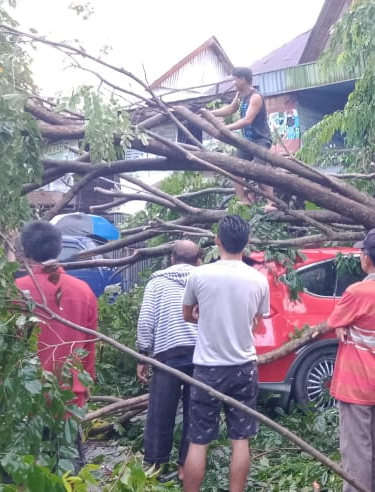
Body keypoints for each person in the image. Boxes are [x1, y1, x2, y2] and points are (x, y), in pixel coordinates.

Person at [180, 215, 269, 492]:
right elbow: (258, 322)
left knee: (198, 441)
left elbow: (187, 315)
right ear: (246, 243)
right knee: (240, 440)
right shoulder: (258, 280)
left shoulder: (199, 275)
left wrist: (202, 316)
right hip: (243, 366)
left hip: (207, 368)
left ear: (217, 240)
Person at [326, 228, 375, 492]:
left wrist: (343, 326)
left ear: (367, 258)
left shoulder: (357, 292)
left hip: (357, 384)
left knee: (357, 452)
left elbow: (335, 320)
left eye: (362, 251)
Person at [136, 240, 202, 478]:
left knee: (160, 411)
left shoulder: (157, 282)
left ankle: (155, 465)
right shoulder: (205, 279)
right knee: (194, 412)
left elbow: (146, 321)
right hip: (200, 355)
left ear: (171, 259)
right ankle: (185, 466)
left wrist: (143, 354)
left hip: (167, 353)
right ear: (198, 260)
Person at [15, 221, 98, 408]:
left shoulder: (15, 291)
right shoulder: (83, 291)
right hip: (70, 393)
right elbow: (89, 344)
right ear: (59, 248)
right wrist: (86, 379)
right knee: (68, 437)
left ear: (25, 251)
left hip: (24, 393)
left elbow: (3, 343)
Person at [210, 67, 275, 209]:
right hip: (246, 140)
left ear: (243, 79)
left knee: (259, 171)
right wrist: (210, 113)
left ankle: (271, 203)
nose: (234, 83)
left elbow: (247, 120)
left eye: (235, 79)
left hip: (261, 140)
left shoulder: (255, 97)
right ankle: (244, 200)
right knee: (235, 169)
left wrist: (225, 128)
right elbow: (230, 109)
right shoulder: (240, 94)